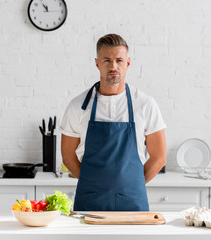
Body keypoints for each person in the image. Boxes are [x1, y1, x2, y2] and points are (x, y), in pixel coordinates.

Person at [60, 33, 167, 211]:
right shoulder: (78, 106)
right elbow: (68, 157)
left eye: (119, 60)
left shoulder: (145, 104)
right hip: (90, 202)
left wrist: (132, 184)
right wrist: (92, 183)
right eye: (107, 60)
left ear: (128, 63)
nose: (113, 66)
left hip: (133, 200)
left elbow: (159, 157)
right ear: (97, 63)